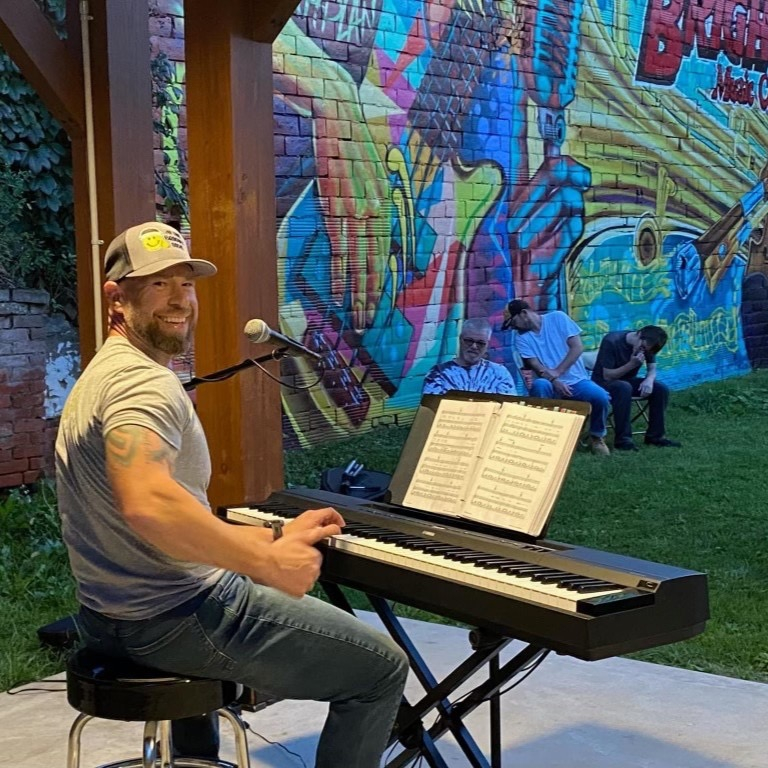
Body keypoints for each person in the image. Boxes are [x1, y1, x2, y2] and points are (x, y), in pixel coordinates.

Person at [55, 222, 409, 767]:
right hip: (174, 617)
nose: (179, 299)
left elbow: (174, 514)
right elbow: (147, 503)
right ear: (116, 296)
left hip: (108, 617)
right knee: (379, 669)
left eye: (186, 283)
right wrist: (264, 560)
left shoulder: (100, 375)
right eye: (157, 284)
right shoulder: (142, 384)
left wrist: (273, 532)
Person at [503, 299, 611, 456]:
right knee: (540, 385)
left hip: (577, 380)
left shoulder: (558, 318)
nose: (512, 328)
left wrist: (559, 372)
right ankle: (546, 438)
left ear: (524, 313)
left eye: (513, 322)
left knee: (600, 396)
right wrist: (554, 380)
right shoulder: (521, 339)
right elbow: (536, 366)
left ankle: (597, 437)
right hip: (549, 383)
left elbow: (577, 347)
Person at [591, 325, 682, 451]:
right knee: (624, 387)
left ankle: (655, 436)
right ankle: (623, 440)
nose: (643, 351)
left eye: (647, 351)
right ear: (639, 334)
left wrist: (649, 380)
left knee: (660, 389)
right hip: (603, 383)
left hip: (627, 381)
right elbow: (607, 376)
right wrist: (631, 365)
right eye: (642, 347)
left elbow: (652, 368)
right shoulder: (612, 341)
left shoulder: (648, 346)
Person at [422, 317, 519, 395]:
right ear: (460, 339)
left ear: (487, 345)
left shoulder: (499, 373)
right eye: (469, 341)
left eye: (480, 343)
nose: (474, 346)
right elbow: (430, 411)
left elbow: (509, 408)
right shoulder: (439, 374)